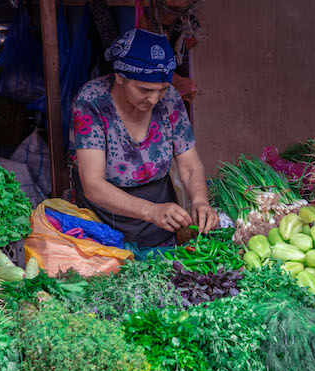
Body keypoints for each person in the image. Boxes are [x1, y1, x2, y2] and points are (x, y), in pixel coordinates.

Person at [68, 29, 219, 249]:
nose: (154, 99)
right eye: (145, 89)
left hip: (159, 222)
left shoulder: (170, 99)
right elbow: (93, 185)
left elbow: (189, 164)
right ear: (120, 77)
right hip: (103, 223)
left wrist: (200, 201)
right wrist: (151, 211)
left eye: (162, 90)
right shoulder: (91, 102)